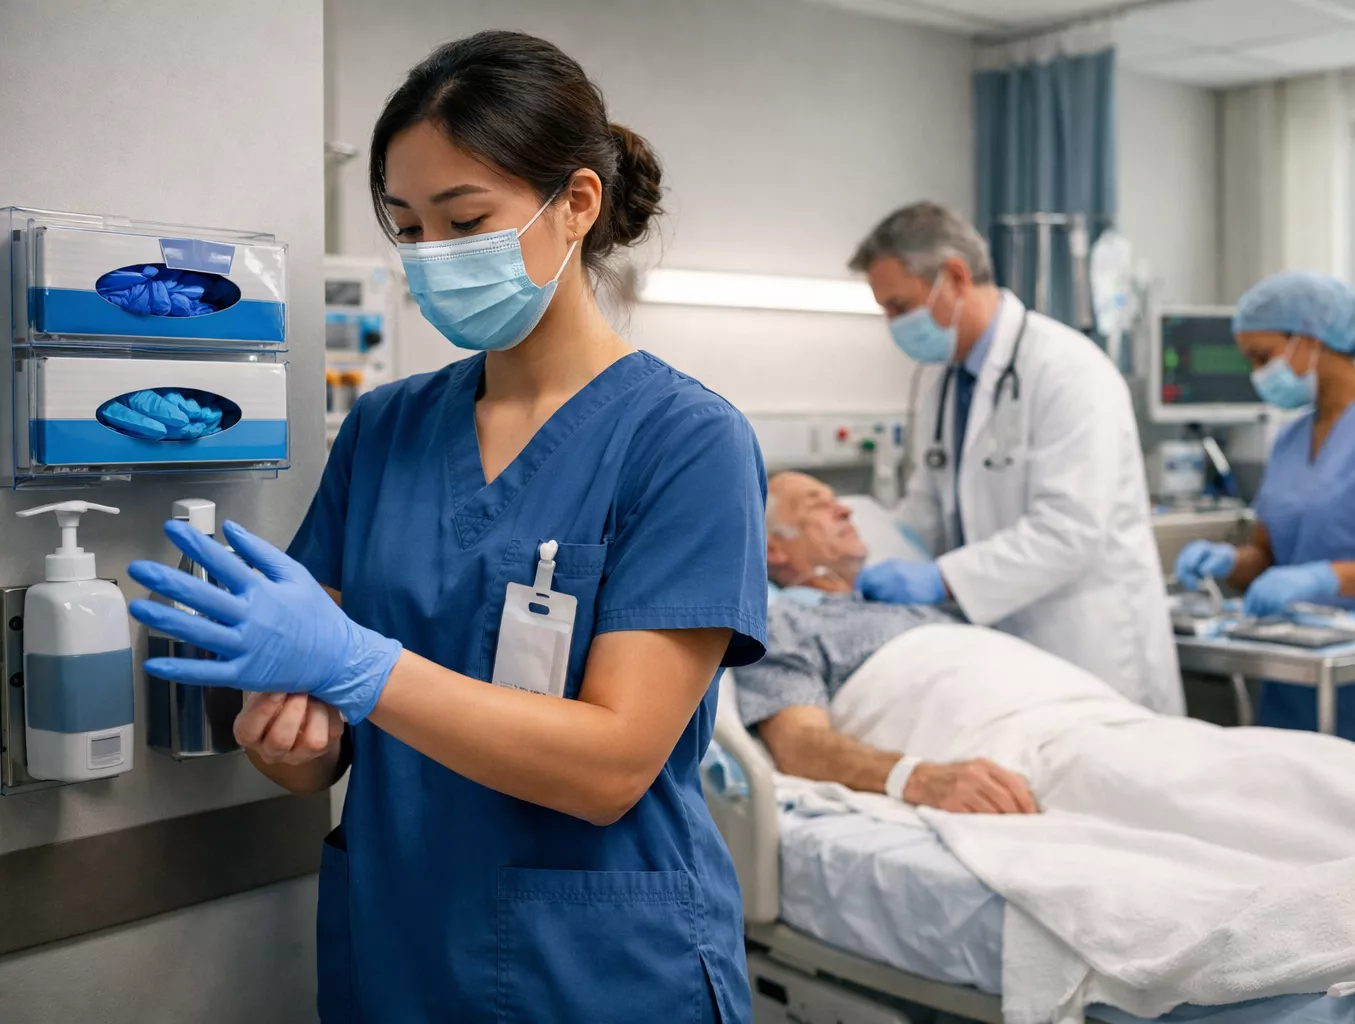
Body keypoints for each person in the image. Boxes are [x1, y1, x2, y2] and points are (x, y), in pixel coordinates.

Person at [126, 32, 767, 1023]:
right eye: (407, 228)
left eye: (465, 222)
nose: (431, 259)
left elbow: (609, 767)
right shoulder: (385, 430)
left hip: (597, 970)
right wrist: (289, 737)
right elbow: (317, 726)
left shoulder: (686, 443)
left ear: (578, 205)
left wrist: (358, 667)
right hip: (402, 945)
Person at [847, 203, 1182, 714]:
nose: (894, 326)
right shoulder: (943, 384)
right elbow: (927, 509)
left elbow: (1069, 531)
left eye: (900, 307)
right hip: (1002, 653)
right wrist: (871, 554)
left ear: (954, 277)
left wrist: (941, 579)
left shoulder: (1068, 371)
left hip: (1087, 646)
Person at [1175, 272, 1355, 768]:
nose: (1257, 374)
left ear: (1309, 339)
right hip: (1297, 679)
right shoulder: (1290, 441)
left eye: (1263, 356)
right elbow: (1271, 559)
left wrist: (1327, 577)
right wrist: (1228, 562)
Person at [751, 471, 1038, 813]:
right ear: (772, 549)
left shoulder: (916, 598)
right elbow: (798, 744)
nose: (844, 511)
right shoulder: (785, 623)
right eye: (818, 506)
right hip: (993, 742)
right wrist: (914, 778)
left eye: (837, 501)